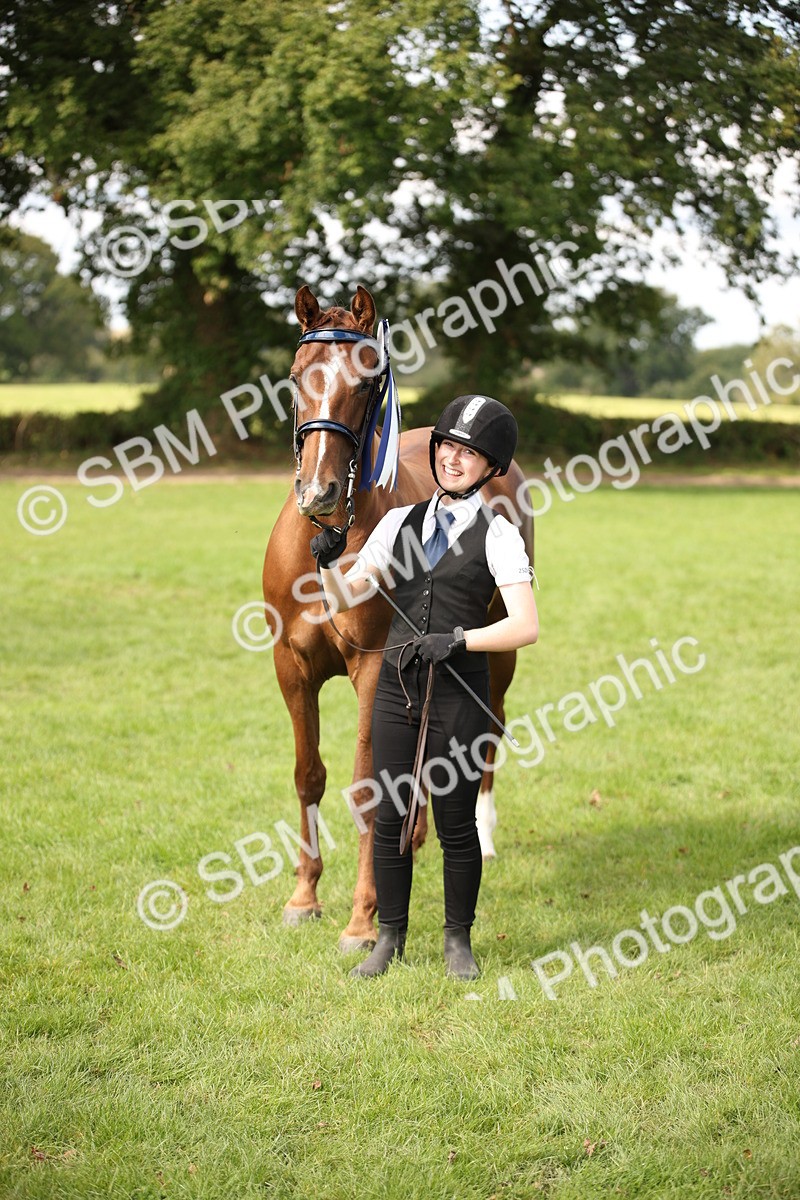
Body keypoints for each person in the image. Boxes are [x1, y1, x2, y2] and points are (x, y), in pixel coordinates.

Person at [310, 395, 538, 980]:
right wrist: (330, 564)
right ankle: (389, 937)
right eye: (447, 448)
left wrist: (460, 641)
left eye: (470, 453)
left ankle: (457, 941)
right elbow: (348, 595)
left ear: (491, 467)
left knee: (456, 820)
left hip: (462, 690)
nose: (453, 460)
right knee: (390, 814)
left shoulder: (499, 536)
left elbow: (526, 626)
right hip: (397, 686)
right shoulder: (397, 524)